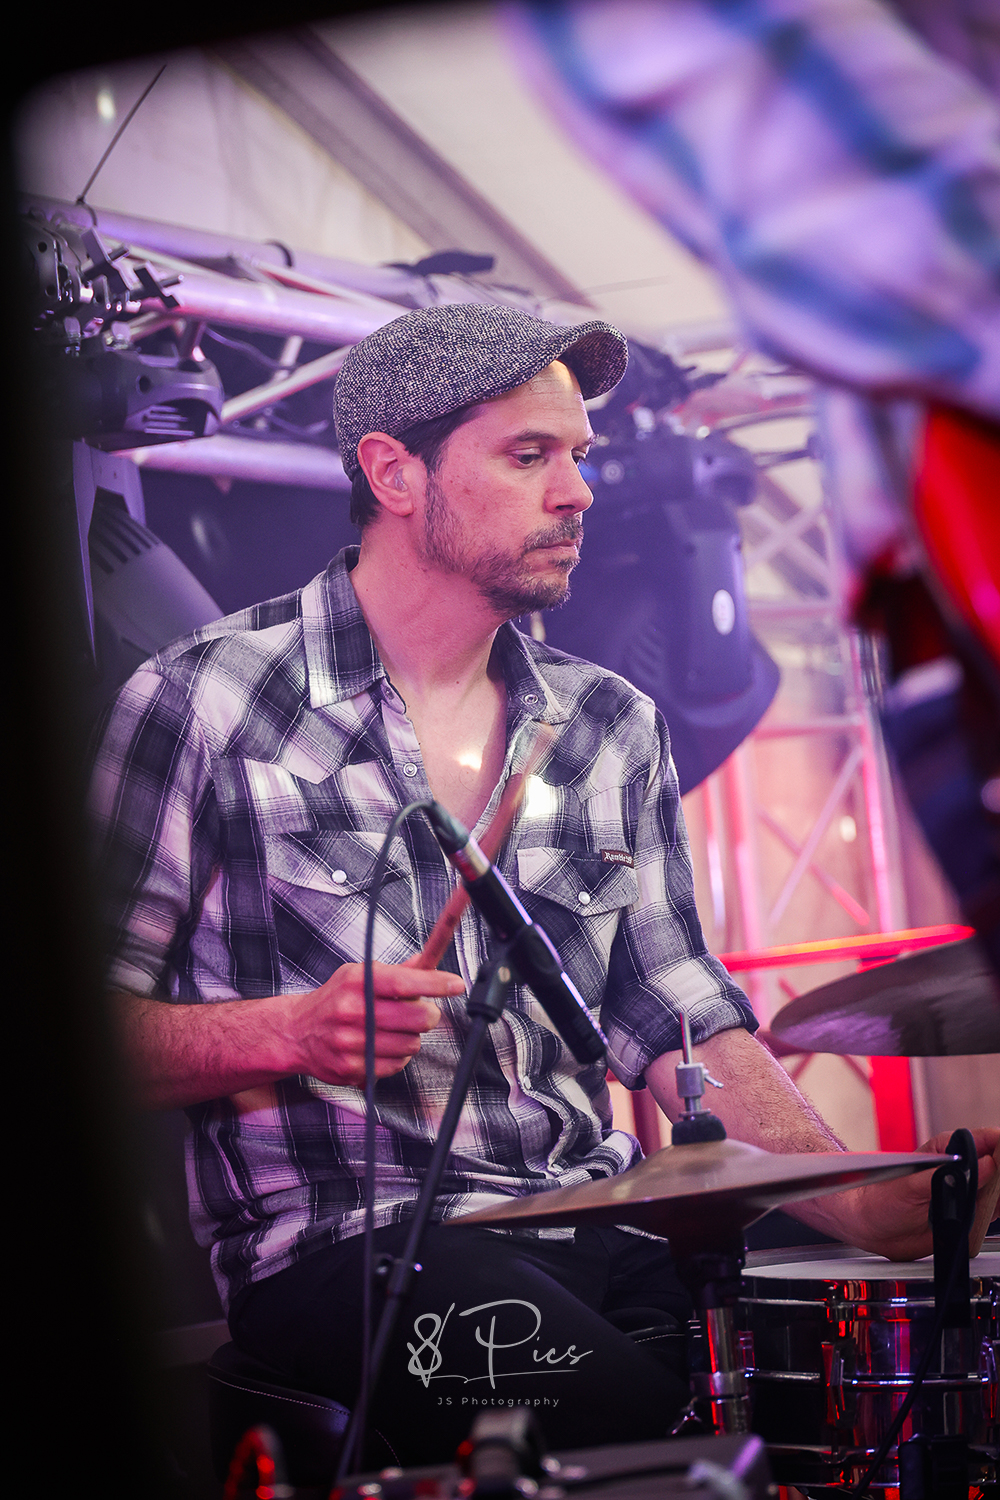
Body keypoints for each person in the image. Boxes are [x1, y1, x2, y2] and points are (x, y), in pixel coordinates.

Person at [90, 302, 997, 1465]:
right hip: (355, 1244)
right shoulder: (203, 702)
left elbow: (676, 1012)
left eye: (578, 455)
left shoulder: (609, 723)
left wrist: (858, 1199)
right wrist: (288, 1032)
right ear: (394, 473)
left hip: (599, 1211)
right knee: (654, 1446)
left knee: (844, 1398)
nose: (576, 492)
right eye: (529, 456)